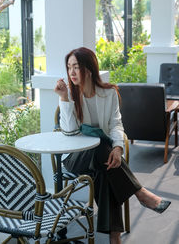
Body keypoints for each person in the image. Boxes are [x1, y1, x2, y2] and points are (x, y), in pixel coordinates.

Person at [54, 47, 171, 244]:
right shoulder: (70, 96)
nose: (71, 72)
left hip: (102, 157)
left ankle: (114, 236)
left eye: (76, 67)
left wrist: (117, 148)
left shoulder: (109, 93)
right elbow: (70, 132)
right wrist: (64, 98)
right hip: (76, 158)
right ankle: (140, 193)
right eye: (69, 67)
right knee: (100, 148)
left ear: (89, 69)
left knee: (106, 172)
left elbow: (116, 124)